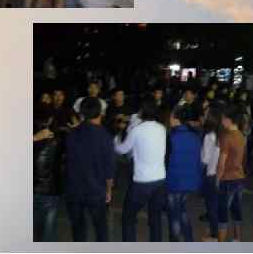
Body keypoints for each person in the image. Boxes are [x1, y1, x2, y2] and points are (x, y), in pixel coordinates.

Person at [114, 96, 167, 242]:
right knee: (155, 217)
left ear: (142, 111)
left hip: (142, 181)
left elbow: (122, 149)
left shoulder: (137, 130)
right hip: (160, 180)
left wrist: (116, 137)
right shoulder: (161, 128)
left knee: (128, 217)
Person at [65, 97, 115, 242]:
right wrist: (109, 190)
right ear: (100, 112)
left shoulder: (71, 134)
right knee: (100, 228)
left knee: (78, 229)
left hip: (74, 190)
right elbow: (109, 169)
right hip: (96, 191)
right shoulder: (105, 137)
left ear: (82, 113)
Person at [166, 105, 203, 241]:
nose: (169, 118)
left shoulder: (172, 137)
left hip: (175, 181)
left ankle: (175, 242)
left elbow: (166, 160)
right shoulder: (195, 136)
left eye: (171, 116)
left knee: (174, 215)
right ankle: (189, 239)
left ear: (177, 119)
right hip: (191, 181)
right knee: (180, 208)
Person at [216, 105, 246, 242]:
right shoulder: (241, 135)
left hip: (227, 179)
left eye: (223, 118)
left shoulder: (226, 137)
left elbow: (221, 163)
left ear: (228, 119)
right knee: (236, 209)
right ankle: (237, 238)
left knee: (222, 212)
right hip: (239, 177)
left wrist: (217, 179)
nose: (221, 121)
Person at [33, 106, 63, 242]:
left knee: (35, 230)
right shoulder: (58, 140)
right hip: (51, 191)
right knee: (48, 232)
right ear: (50, 119)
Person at [201, 106, 222, 241]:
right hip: (222, 174)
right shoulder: (223, 135)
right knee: (217, 205)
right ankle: (216, 231)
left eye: (205, 115)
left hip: (211, 174)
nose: (203, 117)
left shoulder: (209, 136)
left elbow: (205, 159)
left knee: (211, 206)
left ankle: (214, 235)